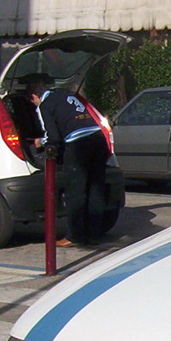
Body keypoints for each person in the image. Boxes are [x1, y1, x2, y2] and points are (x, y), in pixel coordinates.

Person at [36, 85, 110, 246]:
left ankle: (75, 236)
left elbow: (53, 136)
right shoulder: (69, 96)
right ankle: (94, 234)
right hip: (99, 139)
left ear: (35, 97)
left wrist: (40, 142)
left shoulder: (45, 104)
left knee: (76, 191)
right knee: (95, 188)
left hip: (79, 144)